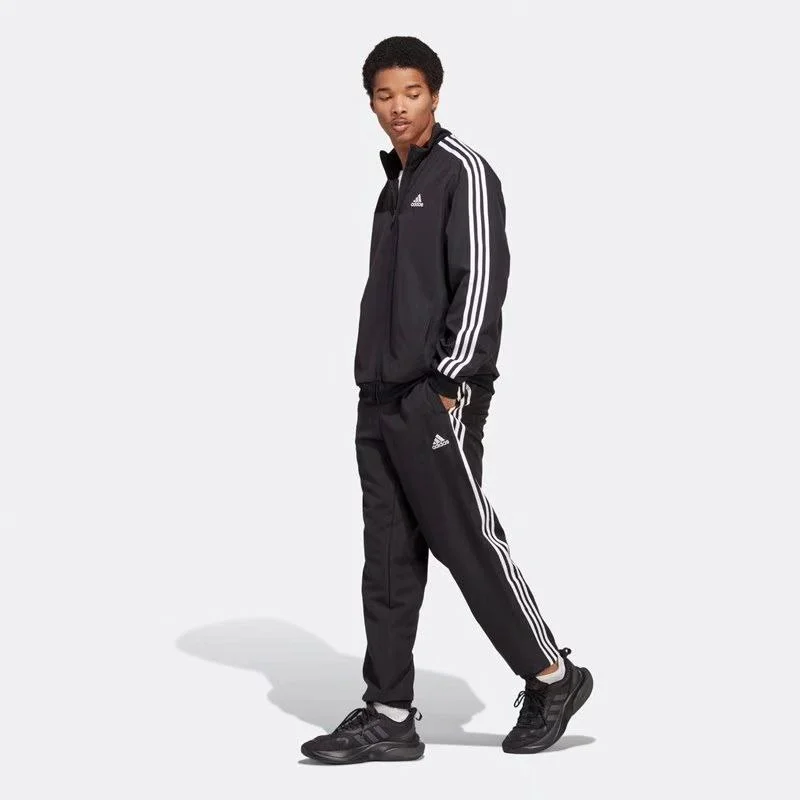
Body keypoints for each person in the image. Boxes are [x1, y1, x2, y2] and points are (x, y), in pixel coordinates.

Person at [300, 35, 593, 765]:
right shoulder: (393, 187)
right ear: (370, 103)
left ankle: (553, 676)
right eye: (384, 95)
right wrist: (373, 381)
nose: (397, 107)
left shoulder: (464, 171)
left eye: (411, 92)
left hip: (438, 395)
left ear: (435, 95)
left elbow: (482, 279)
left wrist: (450, 380)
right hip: (380, 396)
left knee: (465, 540)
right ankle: (389, 714)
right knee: (388, 558)